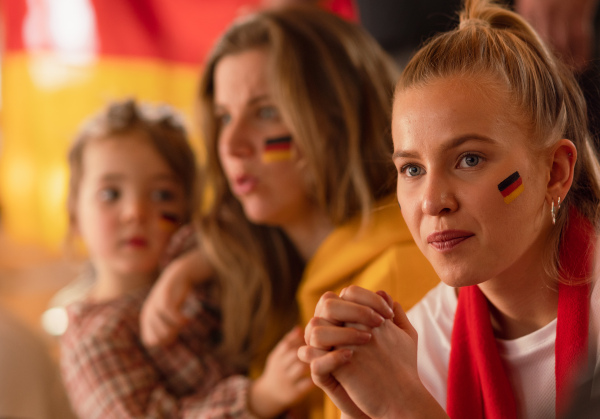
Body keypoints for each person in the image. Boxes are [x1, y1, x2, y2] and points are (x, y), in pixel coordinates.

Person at [298, 0, 600, 418]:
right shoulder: (421, 339)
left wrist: (405, 407)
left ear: (555, 173)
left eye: (469, 159)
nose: (431, 201)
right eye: (412, 168)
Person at [140, 5, 440, 418]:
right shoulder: (268, 272)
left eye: (266, 113)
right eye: (224, 117)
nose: (231, 144)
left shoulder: (400, 274)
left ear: (339, 119)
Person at [59, 99, 230, 418]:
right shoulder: (94, 339)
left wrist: (187, 270)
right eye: (110, 194)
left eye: (162, 195)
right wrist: (259, 398)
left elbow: (242, 243)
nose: (136, 213)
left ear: (186, 210)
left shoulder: (200, 278)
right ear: (74, 215)